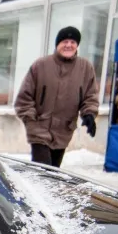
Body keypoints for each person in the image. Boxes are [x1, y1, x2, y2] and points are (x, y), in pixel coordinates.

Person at [13, 26, 99, 167]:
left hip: (64, 130)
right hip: (39, 128)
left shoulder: (85, 68)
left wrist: (89, 114)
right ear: (57, 44)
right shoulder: (41, 65)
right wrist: (31, 121)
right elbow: (24, 98)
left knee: (53, 172)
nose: (69, 45)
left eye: (73, 42)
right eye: (65, 41)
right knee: (43, 173)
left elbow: (90, 96)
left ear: (77, 45)